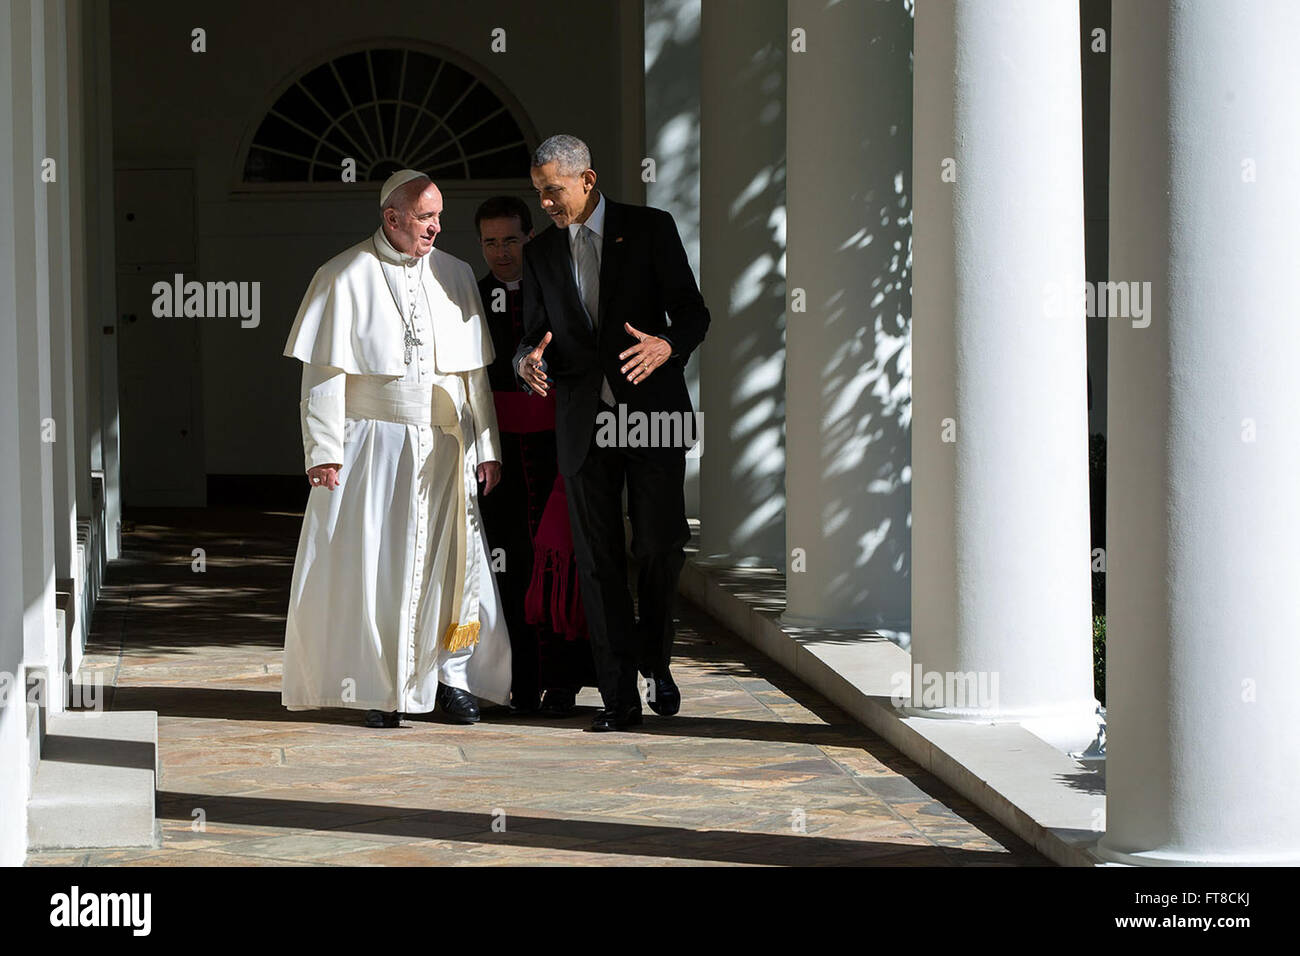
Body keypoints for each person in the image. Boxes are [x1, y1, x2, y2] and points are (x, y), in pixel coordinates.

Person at [281, 169, 510, 728]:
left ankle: (450, 679)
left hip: (444, 446)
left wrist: (486, 446)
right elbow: (323, 374)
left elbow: (472, 376)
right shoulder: (343, 274)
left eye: (438, 215)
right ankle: (377, 688)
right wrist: (324, 451)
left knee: (454, 565)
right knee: (375, 565)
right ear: (392, 217)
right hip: (371, 447)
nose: (437, 226)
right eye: (427, 216)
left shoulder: (455, 274)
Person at [514, 135, 710, 732]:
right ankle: (619, 697)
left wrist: (668, 345)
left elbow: (693, 314)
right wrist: (526, 362)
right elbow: (533, 334)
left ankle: (656, 662)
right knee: (597, 562)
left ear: (587, 180)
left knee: (657, 546)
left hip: (651, 414)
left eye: (553, 189)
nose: (546, 201)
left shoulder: (650, 228)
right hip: (582, 421)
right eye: (539, 191)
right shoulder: (541, 252)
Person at [475, 195, 595, 717]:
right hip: (496, 454)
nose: (501, 252)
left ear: (529, 237)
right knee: (508, 568)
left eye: (510, 239)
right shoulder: (468, 296)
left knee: (560, 562)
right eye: (490, 242)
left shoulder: (558, 287)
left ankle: (564, 682)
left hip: (555, 449)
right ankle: (517, 682)